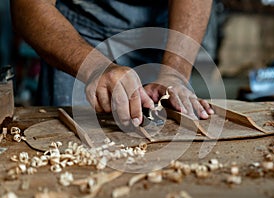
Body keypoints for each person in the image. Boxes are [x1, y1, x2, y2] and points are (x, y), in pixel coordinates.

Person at [10, 0, 214, 127]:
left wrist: (174, 72)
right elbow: (29, 6)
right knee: (66, 144)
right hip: (76, 29)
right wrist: (95, 67)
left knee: (168, 141)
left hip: (163, 29)